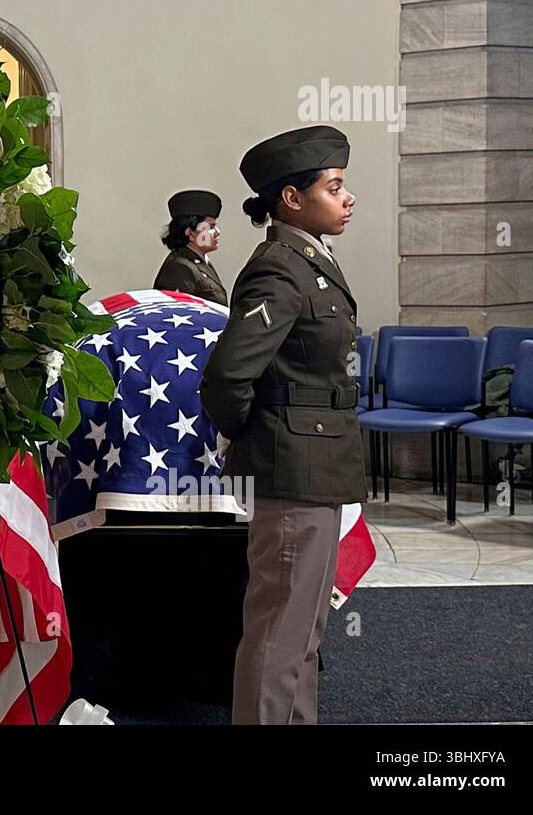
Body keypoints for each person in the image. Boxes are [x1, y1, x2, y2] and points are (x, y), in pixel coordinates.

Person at [198, 124, 363, 725]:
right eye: (334, 186)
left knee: (304, 633)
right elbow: (227, 378)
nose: (347, 198)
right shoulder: (281, 269)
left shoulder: (310, 261)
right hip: (291, 468)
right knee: (279, 633)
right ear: (291, 199)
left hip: (314, 467)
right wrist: (264, 436)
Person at [153, 189, 226, 304]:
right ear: (190, 233)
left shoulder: (199, 262)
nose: (217, 232)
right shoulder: (180, 268)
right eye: (210, 227)